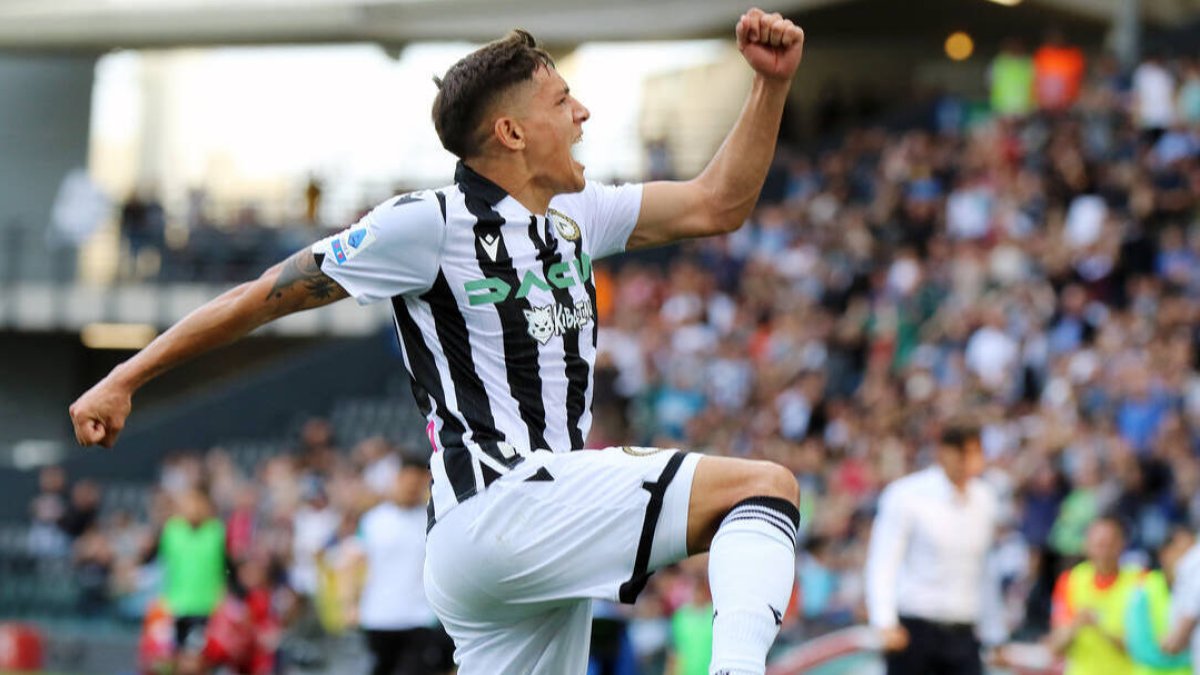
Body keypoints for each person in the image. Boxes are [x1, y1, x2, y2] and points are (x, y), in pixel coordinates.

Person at [68, 9, 805, 674]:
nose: (583, 112)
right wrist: (124, 376)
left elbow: (719, 202)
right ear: (510, 133)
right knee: (763, 487)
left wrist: (769, 87)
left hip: (498, 548)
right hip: (503, 504)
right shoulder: (429, 223)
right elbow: (260, 297)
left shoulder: (583, 213)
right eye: (561, 101)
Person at [864, 422, 999, 675]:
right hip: (916, 628)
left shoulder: (985, 500)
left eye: (973, 452)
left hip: (964, 630)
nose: (967, 461)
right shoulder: (907, 494)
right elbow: (883, 561)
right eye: (962, 452)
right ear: (944, 452)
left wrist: (994, 632)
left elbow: (985, 569)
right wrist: (884, 620)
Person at [354, 459, 452, 675]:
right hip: (378, 617)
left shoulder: (432, 518)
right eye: (406, 482)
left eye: (416, 484)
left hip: (419, 618)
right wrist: (350, 603)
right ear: (396, 481)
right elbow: (355, 563)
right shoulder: (372, 520)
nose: (410, 489)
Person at [1047, 516, 1143, 675]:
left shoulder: (1140, 581)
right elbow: (1055, 646)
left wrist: (1102, 627)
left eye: (1110, 544)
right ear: (1086, 545)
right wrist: (1075, 625)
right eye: (1099, 545)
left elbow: (1142, 646)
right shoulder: (1070, 581)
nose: (1104, 551)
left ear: (1122, 545)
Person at [1125, 527, 1194, 675]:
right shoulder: (1142, 589)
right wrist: (1186, 651)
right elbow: (1141, 649)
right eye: (1182, 551)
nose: (1190, 561)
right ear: (1164, 554)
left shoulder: (1195, 591)